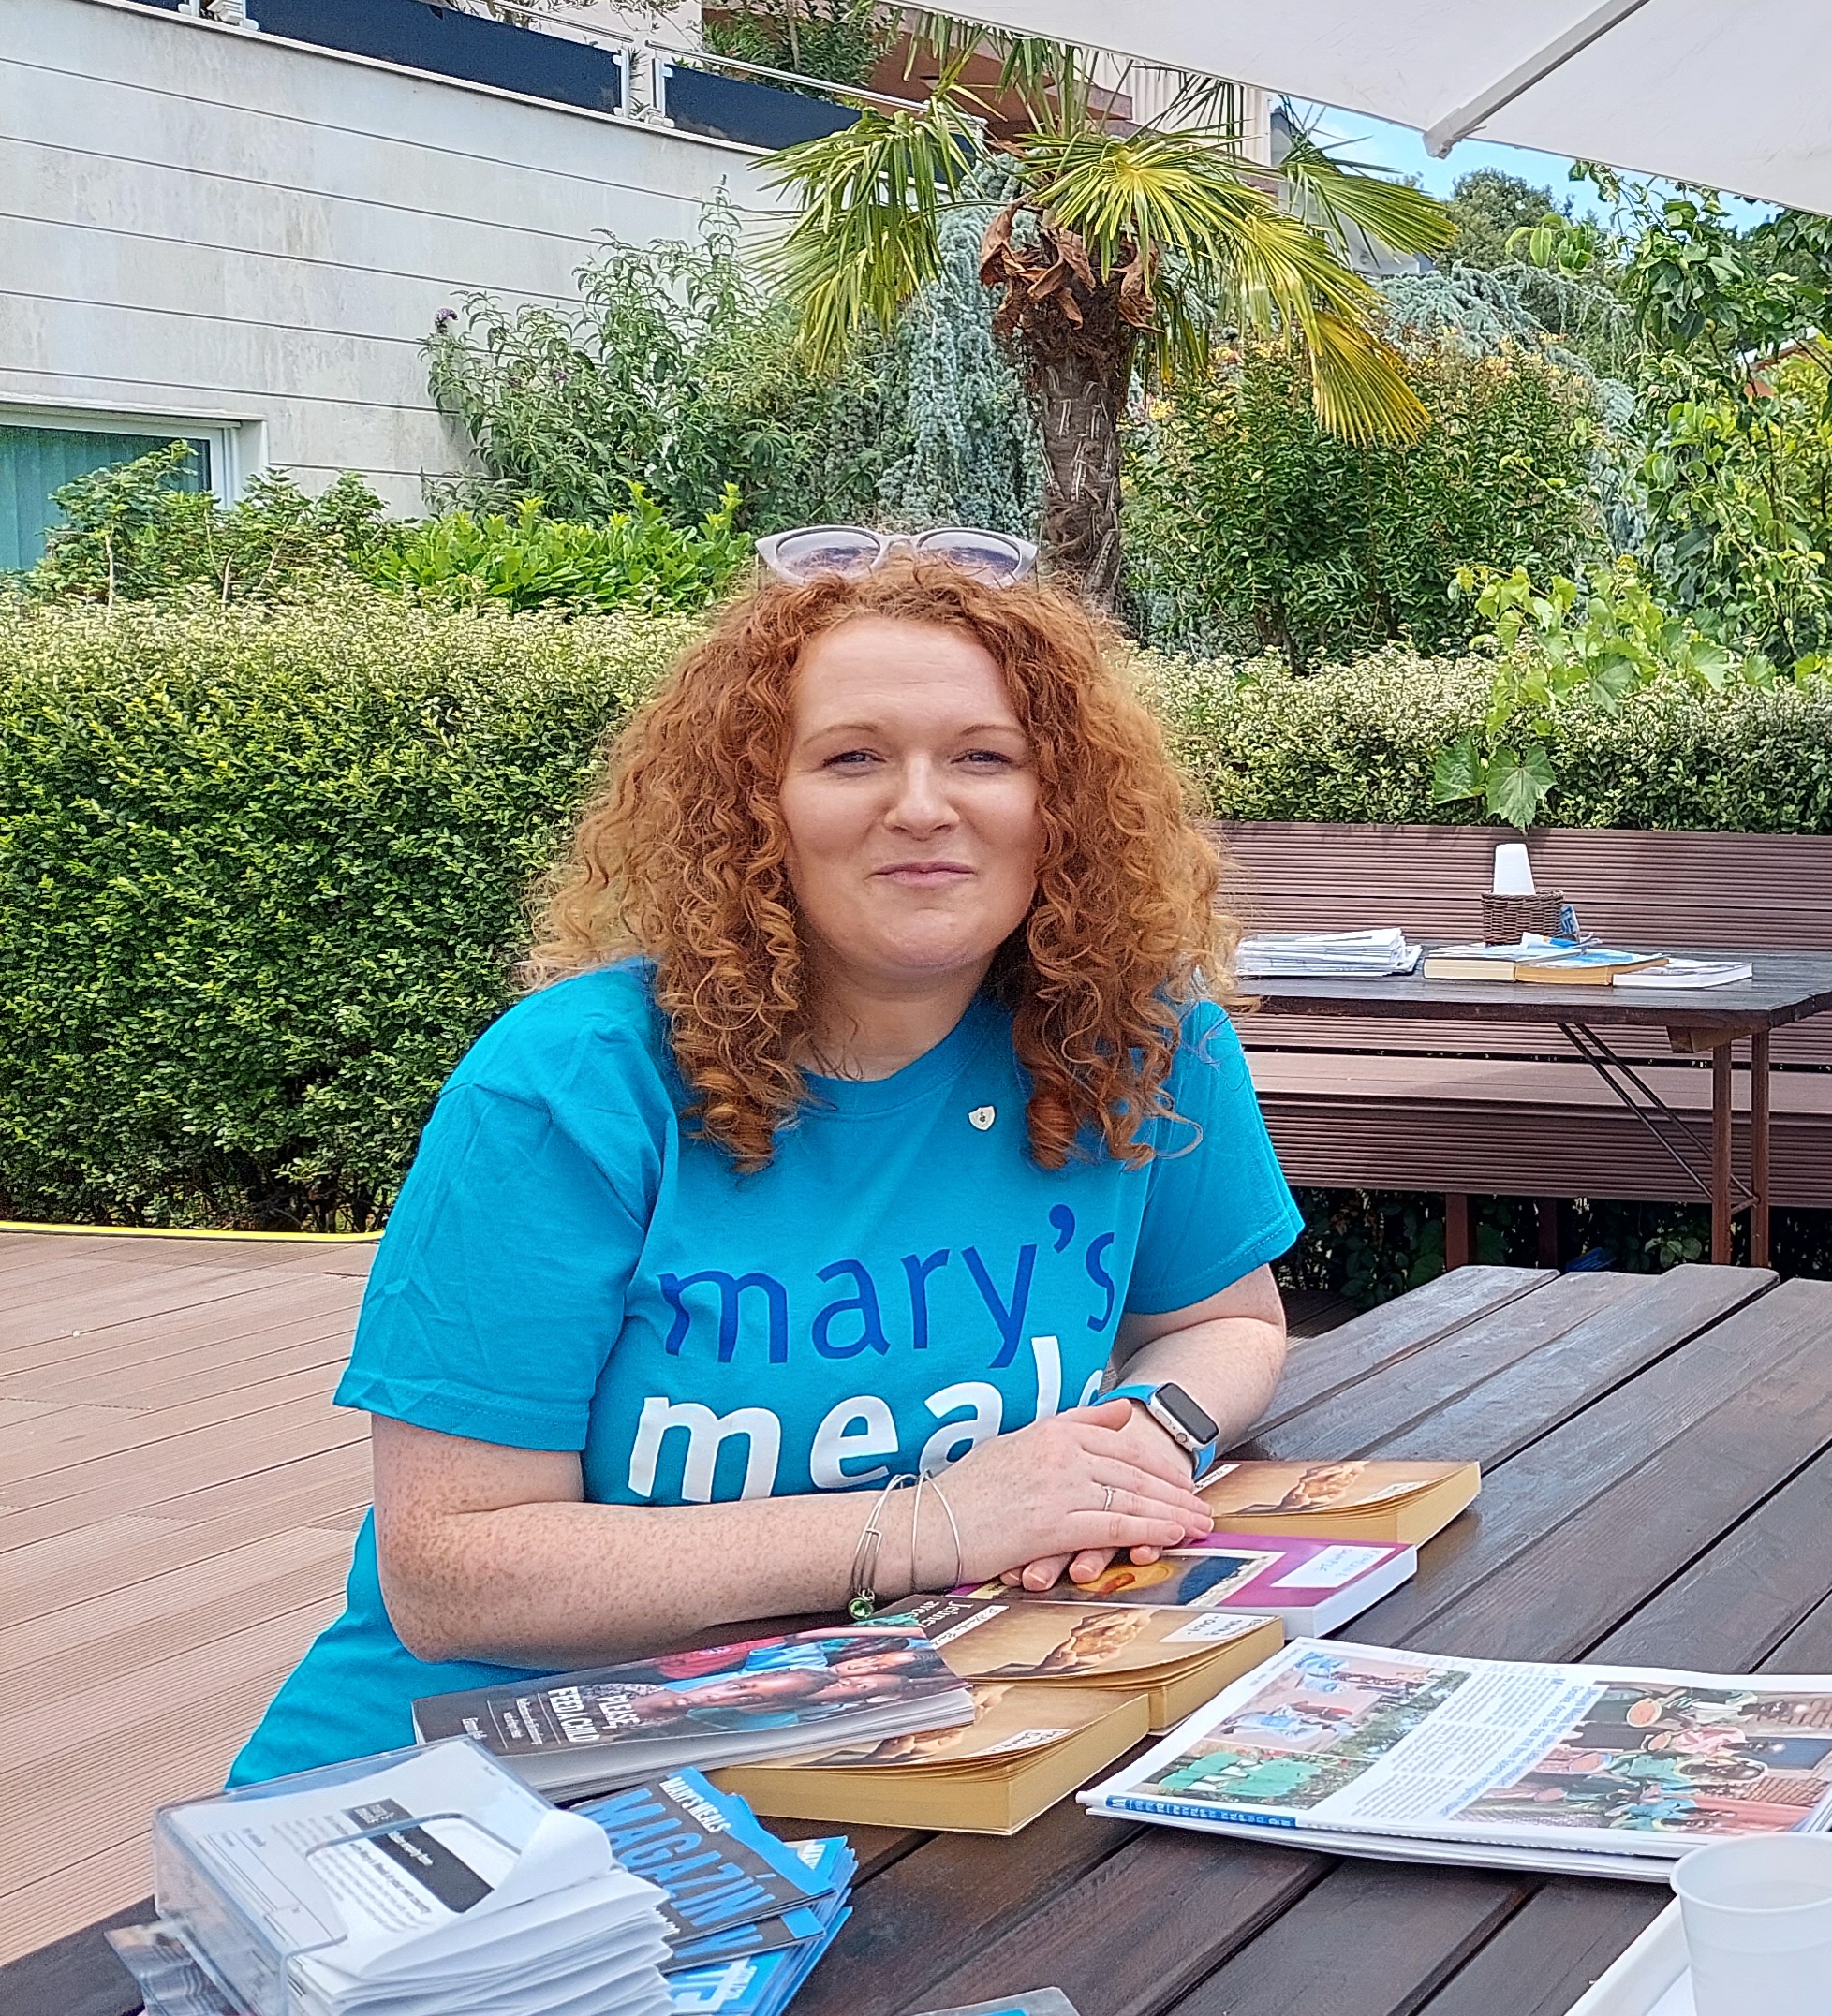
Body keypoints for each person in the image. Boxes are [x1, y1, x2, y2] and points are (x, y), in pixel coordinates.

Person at [233, 534, 1301, 1783]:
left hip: (899, 1741)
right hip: (486, 1790)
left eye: (986, 757)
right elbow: (453, 1574)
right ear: (757, 808)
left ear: (1058, 804)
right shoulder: (573, 1087)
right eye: (852, 757)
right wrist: (937, 1526)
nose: (922, 805)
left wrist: (1138, 1446)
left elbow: (1229, 1320)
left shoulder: (1140, 1039)